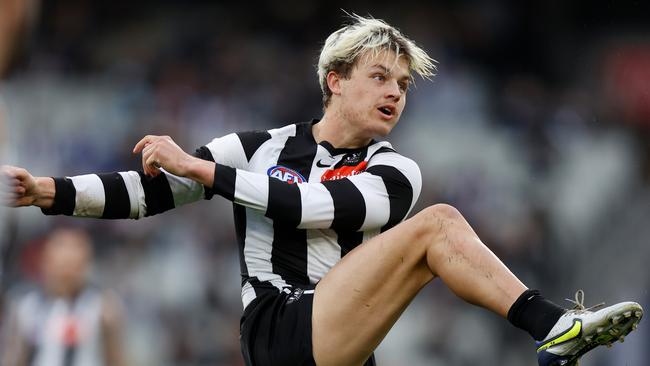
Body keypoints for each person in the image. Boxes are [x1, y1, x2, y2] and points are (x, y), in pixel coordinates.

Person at [0, 14, 643, 366]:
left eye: (404, 85)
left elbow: (317, 208)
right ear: (335, 79)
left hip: (340, 344)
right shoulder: (258, 147)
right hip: (279, 331)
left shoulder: (397, 169)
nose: (395, 92)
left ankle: (557, 331)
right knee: (441, 224)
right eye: (380, 77)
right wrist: (46, 192)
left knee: (433, 223)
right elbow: (146, 194)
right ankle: (554, 326)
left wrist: (206, 172)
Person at [1, 228, 126, 366]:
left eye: (74, 262)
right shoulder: (27, 306)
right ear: (46, 261)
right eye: (63, 261)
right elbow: (14, 358)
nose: (68, 270)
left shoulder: (103, 306)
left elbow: (116, 359)